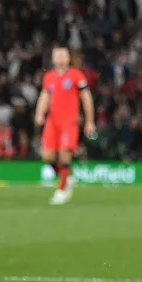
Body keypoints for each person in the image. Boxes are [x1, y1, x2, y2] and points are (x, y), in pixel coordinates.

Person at [35, 45, 95, 205]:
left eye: (63, 55)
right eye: (57, 55)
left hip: (69, 122)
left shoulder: (76, 75)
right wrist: (39, 113)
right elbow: (45, 95)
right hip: (52, 121)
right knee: (47, 156)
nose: (60, 57)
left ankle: (62, 190)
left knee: (64, 154)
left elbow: (86, 98)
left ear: (68, 58)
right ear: (52, 58)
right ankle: (65, 178)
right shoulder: (49, 76)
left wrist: (89, 121)